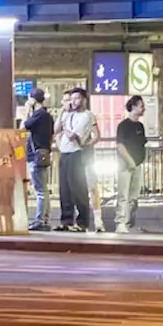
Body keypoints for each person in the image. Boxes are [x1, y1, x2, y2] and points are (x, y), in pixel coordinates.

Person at [54, 87, 97, 232]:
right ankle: (66, 220)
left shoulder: (87, 116)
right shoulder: (67, 114)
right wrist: (61, 112)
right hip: (65, 153)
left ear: (84, 99)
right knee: (64, 188)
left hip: (76, 153)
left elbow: (73, 135)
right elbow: (56, 130)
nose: (74, 102)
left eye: (77, 98)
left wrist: (64, 126)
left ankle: (82, 221)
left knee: (78, 188)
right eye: (72, 99)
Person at [22, 88, 54, 231]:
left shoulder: (38, 115)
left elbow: (23, 126)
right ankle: (44, 220)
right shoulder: (47, 115)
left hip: (36, 156)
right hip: (44, 153)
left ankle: (40, 220)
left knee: (40, 190)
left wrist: (26, 111)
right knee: (44, 189)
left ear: (33, 100)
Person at [114, 96, 147, 233]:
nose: (143, 108)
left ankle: (130, 223)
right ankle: (120, 221)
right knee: (123, 194)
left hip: (137, 164)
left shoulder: (140, 126)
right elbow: (120, 145)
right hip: (125, 165)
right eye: (141, 105)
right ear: (133, 107)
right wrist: (130, 161)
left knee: (134, 197)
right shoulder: (123, 125)